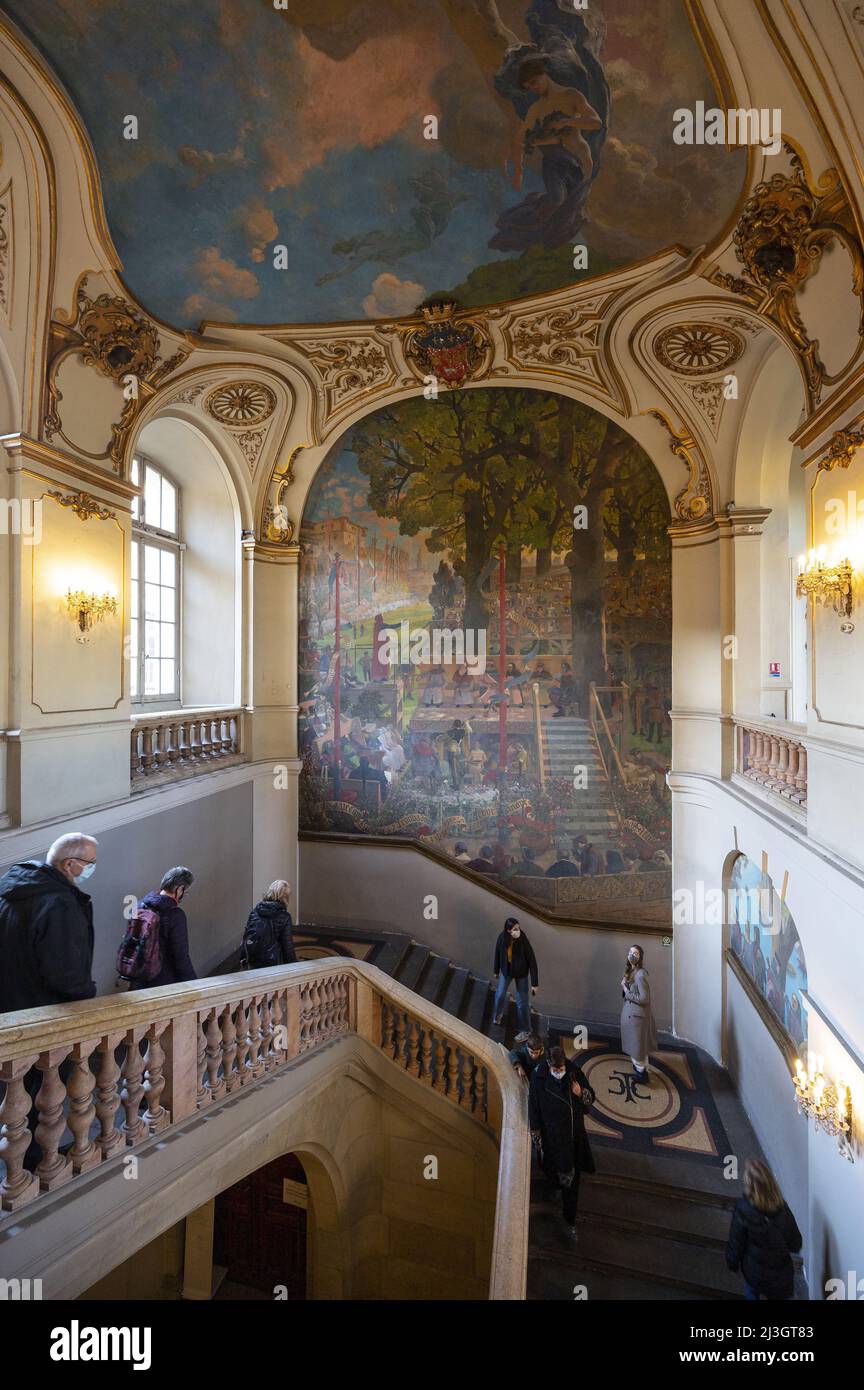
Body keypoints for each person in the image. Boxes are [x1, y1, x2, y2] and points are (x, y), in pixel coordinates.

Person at [0, 832, 98, 1012]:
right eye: (91, 862)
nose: (93, 866)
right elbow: (66, 975)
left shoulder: (10, 889)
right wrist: (87, 996)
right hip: (40, 1012)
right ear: (69, 864)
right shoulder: (60, 905)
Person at [529, 1044, 595, 1237]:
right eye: (555, 1070)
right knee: (552, 1169)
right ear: (548, 1065)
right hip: (551, 1138)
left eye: (561, 1069)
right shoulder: (538, 1077)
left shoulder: (574, 1072)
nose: (559, 1072)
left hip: (573, 1138)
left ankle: (570, 1220)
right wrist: (536, 1135)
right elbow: (534, 1106)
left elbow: (591, 1097)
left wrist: (580, 1092)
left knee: (572, 1182)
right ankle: (555, 1186)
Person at [726, 1158, 802, 1300]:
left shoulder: (743, 1209)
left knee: (752, 1294)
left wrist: (732, 1264)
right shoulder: (782, 1209)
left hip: (754, 1271)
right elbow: (795, 1244)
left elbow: (736, 1242)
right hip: (780, 1274)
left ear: (749, 1184)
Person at [135, 867, 197, 988]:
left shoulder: (140, 905)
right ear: (180, 889)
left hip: (138, 979)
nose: (185, 895)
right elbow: (180, 957)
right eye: (186, 892)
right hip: (163, 983)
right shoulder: (175, 914)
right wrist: (194, 983)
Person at [492, 917, 538, 1030]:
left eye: (518, 928)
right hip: (506, 971)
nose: (518, 931)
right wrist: (496, 970)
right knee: (500, 995)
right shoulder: (502, 938)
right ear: (508, 930)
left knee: (522, 1003)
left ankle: (526, 1029)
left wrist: (534, 983)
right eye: (515, 929)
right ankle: (497, 1016)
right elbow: (497, 954)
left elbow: (532, 959)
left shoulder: (523, 939)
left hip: (521, 973)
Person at [620, 944, 657, 1084]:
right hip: (633, 1016)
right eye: (630, 952)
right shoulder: (631, 971)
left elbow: (644, 998)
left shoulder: (640, 975)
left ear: (640, 957)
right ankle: (642, 1070)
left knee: (637, 1049)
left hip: (637, 1019)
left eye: (635, 953)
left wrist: (626, 989)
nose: (631, 955)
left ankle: (642, 1075)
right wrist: (626, 987)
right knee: (639, 1048)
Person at [241, 880, 297, 969]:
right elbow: (288, 948)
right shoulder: (284, 917)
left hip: (253, 962)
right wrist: (295, 968)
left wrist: (244, 959)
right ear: (285, 897)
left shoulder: (255, 911)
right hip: (273, 964)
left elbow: (246, 937)